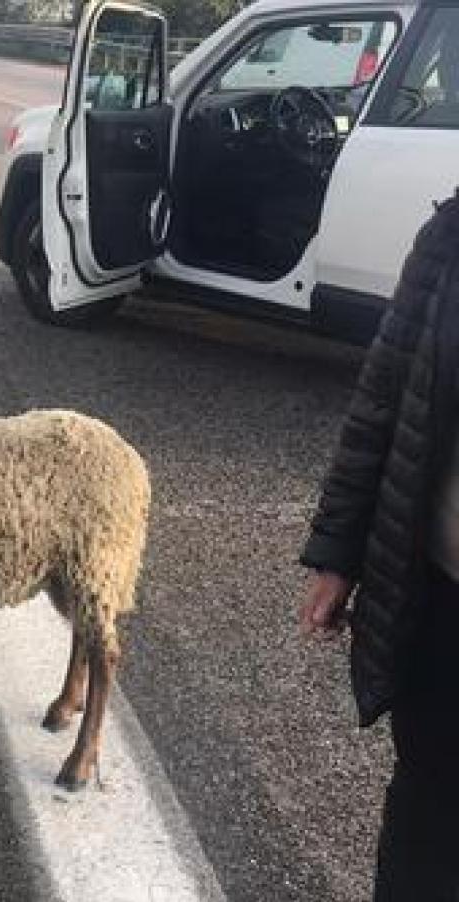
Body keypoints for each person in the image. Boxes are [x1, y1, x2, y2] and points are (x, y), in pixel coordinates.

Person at [300, 189, 459, 902]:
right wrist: (339, 552)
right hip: (443, 589)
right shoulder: (450, 238)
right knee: (430, 800)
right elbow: (382, 396)